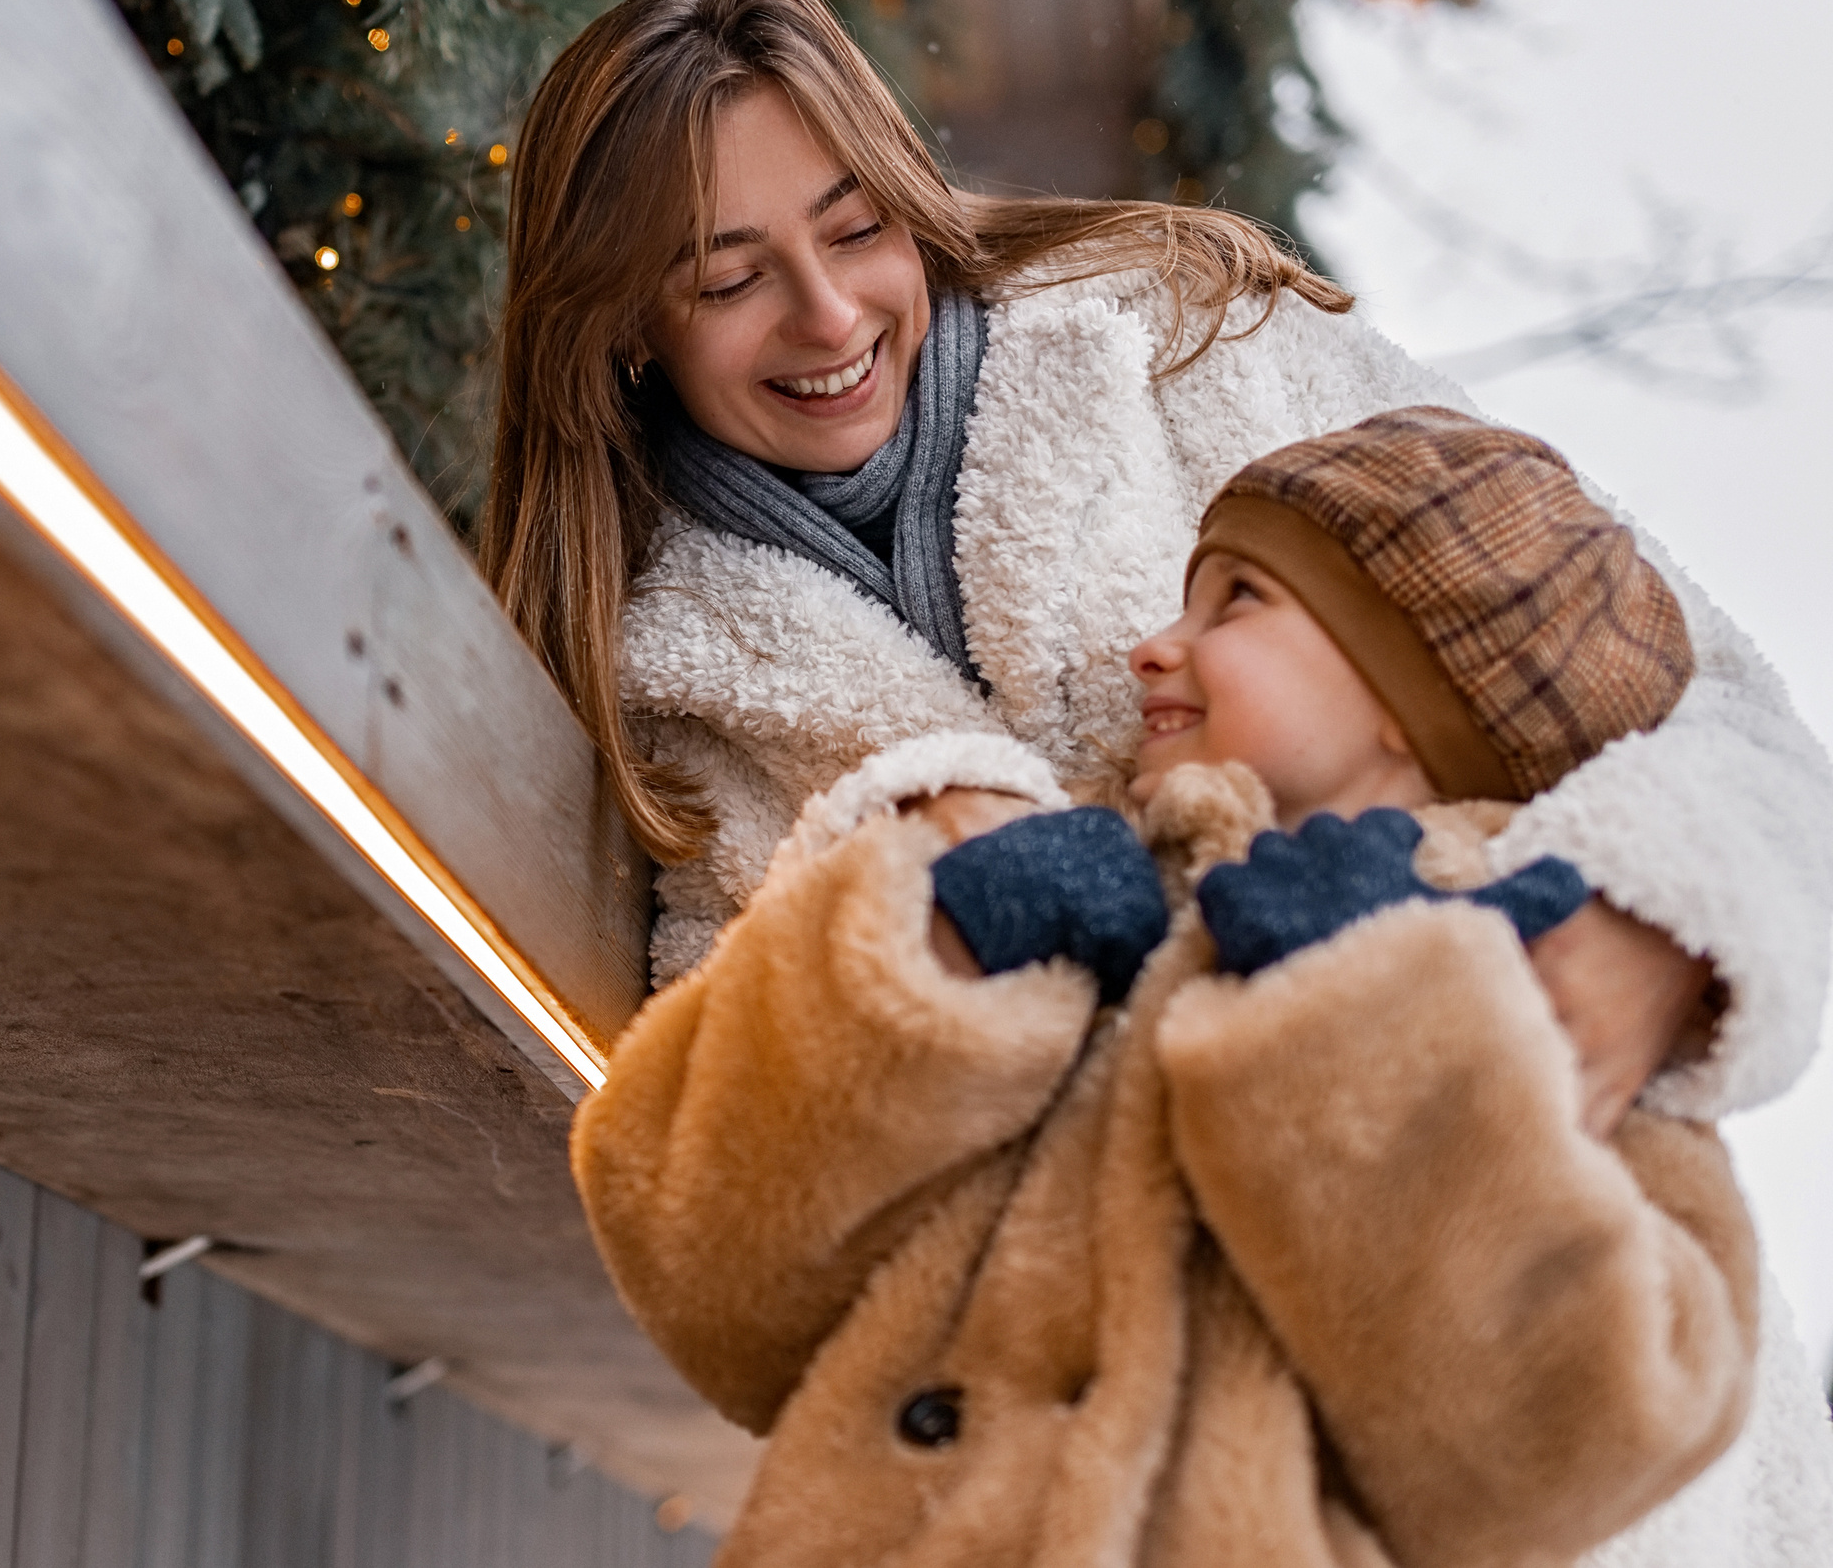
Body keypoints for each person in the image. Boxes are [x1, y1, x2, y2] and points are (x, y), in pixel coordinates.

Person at [481, 0, 1829, 1144]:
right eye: (729, 280)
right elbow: (739, 1146)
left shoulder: (1202, 346)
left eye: (857, 228)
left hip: (1566, 1256)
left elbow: (1714, 692)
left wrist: (1662, 939)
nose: (830, 314)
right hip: (1165, 1400)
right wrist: (933, 925)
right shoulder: (659, 690)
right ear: (627, 325)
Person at [570, 412, 1833, 1567]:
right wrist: (931, 958)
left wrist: (1368, 1012)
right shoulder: (1096, 901)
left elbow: (1568, 1455)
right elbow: (703, 1277)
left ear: (1409, 690)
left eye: (1239, 600)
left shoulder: (1542, 984)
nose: (1155, 642)